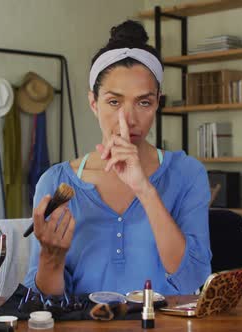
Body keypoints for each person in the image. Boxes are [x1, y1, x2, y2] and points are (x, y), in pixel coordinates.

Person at [24, 20, 211, 296]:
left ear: (158, 102)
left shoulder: (187, 173)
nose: (129, 119)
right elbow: (44, 303)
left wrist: (144, 189)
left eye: (144, 102)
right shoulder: (56, 182)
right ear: (93, 103)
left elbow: (193, 280)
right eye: (114, 102)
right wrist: (51, 258)